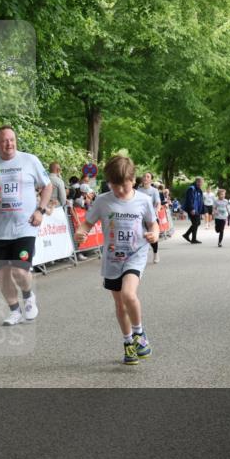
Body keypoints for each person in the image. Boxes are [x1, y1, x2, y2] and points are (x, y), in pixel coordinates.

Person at [74, 155, 158, 366]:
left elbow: (153, 224)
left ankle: (139, 334)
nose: (119, 190)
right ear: (108, 182)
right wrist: (80, 233)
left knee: (129, 294)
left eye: (124, 185)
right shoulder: (103, 201)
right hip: (112, 258)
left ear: (133, 180)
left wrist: (154, 234)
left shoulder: (144, 200)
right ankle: (128, 342)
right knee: (119, 303)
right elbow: (87, 224)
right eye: (114, 185)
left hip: (135, 254)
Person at [0, 126, 52, 326]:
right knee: (3, 273)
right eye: (4, 141)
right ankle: (14, 311)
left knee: (19, 270)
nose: (9, 144)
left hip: (25, 226)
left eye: (12, 140)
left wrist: (40, 210)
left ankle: (28, 295)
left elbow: (47, 186)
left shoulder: (30, 160)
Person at [136, 172, 162, 263]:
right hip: (140, 218)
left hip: (151, 217)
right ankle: (140, 255)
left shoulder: (154, 191)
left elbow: (158, 202)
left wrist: (157, 209)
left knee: (152, 236)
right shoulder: (138, 191)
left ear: (151, 180)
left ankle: (155, 253)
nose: (146, 178)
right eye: (144, 176)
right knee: (140, 236)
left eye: (148, 177)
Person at [181, 177, 204, 244]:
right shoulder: (191, 189)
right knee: (196, 223)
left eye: (202, 182)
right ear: (197, 182)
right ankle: (193, 239)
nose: (201, 184)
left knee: (197, 223)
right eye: (200, 182)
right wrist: (192, 209)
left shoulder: (198, 189)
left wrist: (201, 210)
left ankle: (187, 235)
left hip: (196, 209)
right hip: (192, 209)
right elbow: (189, 200)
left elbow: (200, 200)